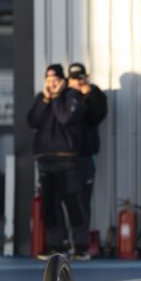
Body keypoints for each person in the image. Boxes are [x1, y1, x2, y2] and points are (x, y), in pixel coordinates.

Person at [27, 64, 89, 260]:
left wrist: (55, 97)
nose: (51, 84)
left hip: (66, 160)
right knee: (49, 206)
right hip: (45, 160)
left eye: (55, 80)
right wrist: (45, 99)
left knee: (72, 203)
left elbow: (64, 118)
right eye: (48, 80)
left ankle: (80, 246)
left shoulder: (72, 96)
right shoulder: (41, 98)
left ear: (62, 80)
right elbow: (32, 121)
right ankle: (55, 245)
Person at [67, 62, 107, 252]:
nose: (78, 81)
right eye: (74, 78)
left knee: (83, 200)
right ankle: (63, 240)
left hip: (85, 154)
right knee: (64, 199)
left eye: (81, 78)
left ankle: (80, 243)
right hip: (64, 155)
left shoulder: (94, 94)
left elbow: (97, 116)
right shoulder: (63, 95)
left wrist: (87, 94)